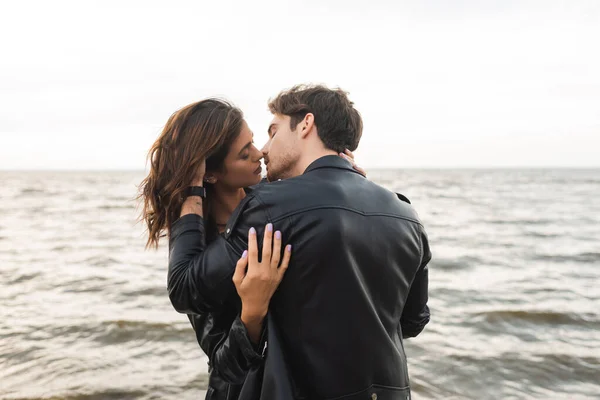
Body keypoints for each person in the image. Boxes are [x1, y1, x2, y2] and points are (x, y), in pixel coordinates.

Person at [168, 84, 431, 400]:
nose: (264, 149)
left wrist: (191, 193)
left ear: (306, 124)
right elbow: (413, 321)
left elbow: (185, 288)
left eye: (273, 131)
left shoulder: (269, 206)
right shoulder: (404, 212)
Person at [139, 98, 365, 399]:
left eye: (254, 143)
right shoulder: (197, 244)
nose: (260, 153)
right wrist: (252, 311)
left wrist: (350, 191)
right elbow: (224, 365)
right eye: (245, 154)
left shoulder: (275, 202)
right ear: (210, 173)